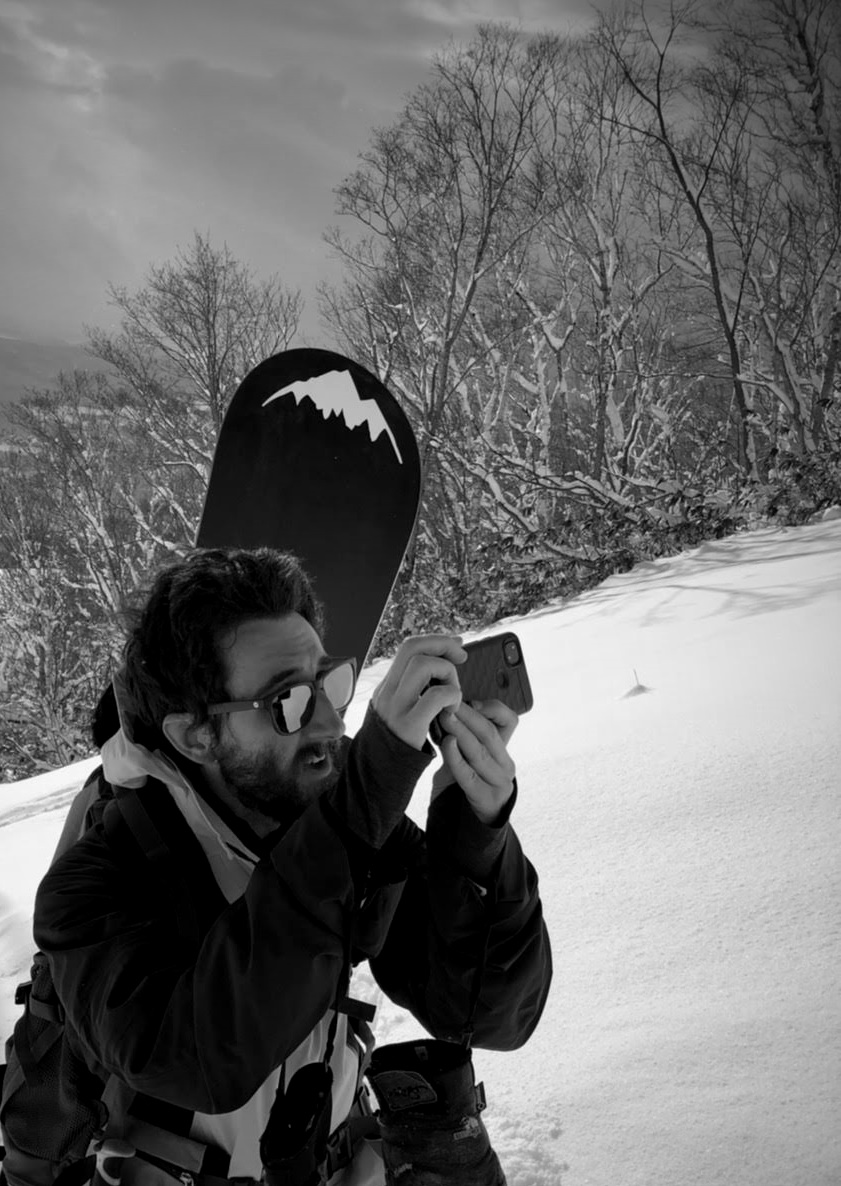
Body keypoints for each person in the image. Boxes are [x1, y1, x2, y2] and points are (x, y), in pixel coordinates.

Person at [29, 547, 551, 1185]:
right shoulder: (93, 888)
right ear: (195, 735)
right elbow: (203, 1058)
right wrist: (363, 803)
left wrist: (473, 832)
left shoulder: (326, 803)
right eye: (288, 701)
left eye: (328, 683)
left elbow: (486, 1013)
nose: (331, 723)